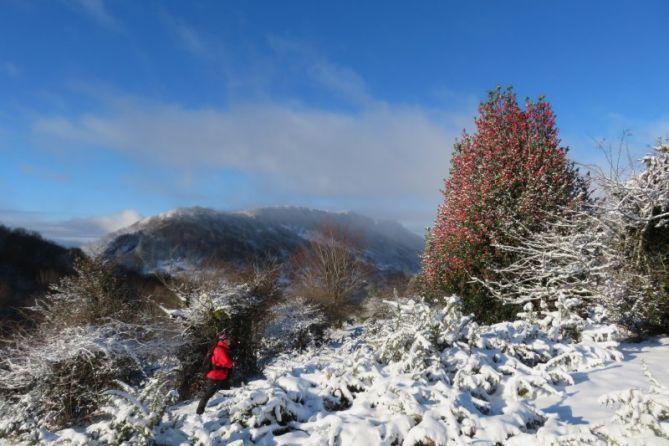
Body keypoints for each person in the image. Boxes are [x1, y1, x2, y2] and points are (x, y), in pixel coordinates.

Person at [196, 331, 234, 415]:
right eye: (228, 339)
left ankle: (228, 410)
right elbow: (226, 362)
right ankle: (199, 412)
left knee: (227, 392)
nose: (230, 340)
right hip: (215, 376)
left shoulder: (222, 348)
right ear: (224, 340)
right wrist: (232, 363)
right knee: (208, 394)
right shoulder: (219, 349)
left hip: (221, 376)